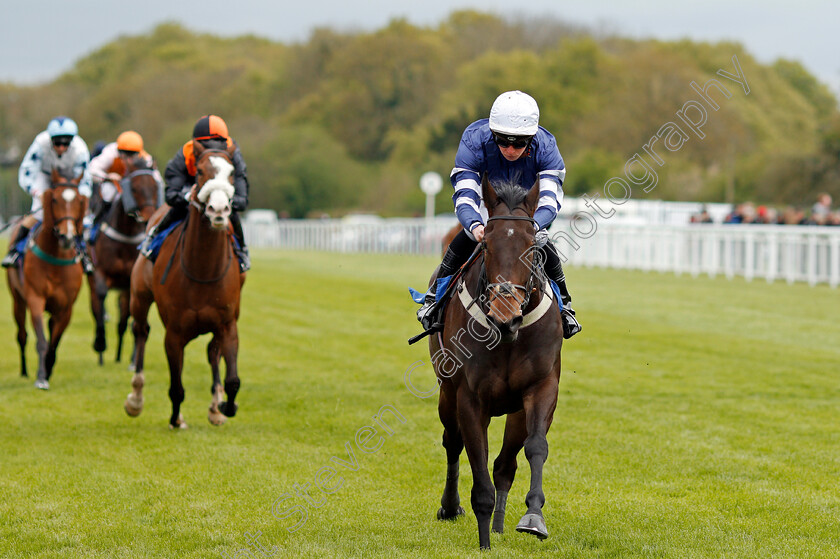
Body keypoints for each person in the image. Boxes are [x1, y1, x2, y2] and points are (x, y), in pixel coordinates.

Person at [416, 90, 581, 339]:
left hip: (526, 208)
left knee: (544, 244)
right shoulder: (474, 140)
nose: (511, 149)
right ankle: (435, 299)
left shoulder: (546, 146)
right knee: (466, 238)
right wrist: (473, 225)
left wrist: (534, 226)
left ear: (532, 138)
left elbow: (550, 199)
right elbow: (465, 194)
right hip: (487, 203)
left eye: (519, 143)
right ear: (492, 134)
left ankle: (565, 306)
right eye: (503, 141)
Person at [138, 115, 250, 272]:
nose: (213, 151)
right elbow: (171, 195)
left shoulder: (234, 154)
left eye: (219, 146)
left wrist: (227, 199)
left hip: (221, 192)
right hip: (191, 187)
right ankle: (153, 239)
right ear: (196, 146)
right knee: (176, 210)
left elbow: (242, 200)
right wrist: (186, 196)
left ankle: (242, 250)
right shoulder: (185, 154)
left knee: (232, 213)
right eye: (205, 146)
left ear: (226, 144)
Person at [2, 116, 94, 274]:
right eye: (57, 143)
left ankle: (83, 253)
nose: (61, 147)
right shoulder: (40, 143)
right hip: (44, 176)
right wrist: (37, 193)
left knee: (78, 215)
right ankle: (15, 249)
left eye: (66, 143)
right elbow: (27, 172)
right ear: (50, 139)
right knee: (40, 210)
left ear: (72, 141)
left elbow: (85, 180)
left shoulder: (80, 149)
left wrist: (80, 201)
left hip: (70, 179)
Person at [88, 130, 162, 228]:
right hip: (113, 185)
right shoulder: (110, 152)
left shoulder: (146, 159)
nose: (128, 160)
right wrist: (108, 177)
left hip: (132, 188)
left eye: (132, 155)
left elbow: (157, 180)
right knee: (108, 193)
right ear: (118, 151)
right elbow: (91, 169)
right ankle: (97, 221)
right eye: (124, 155)